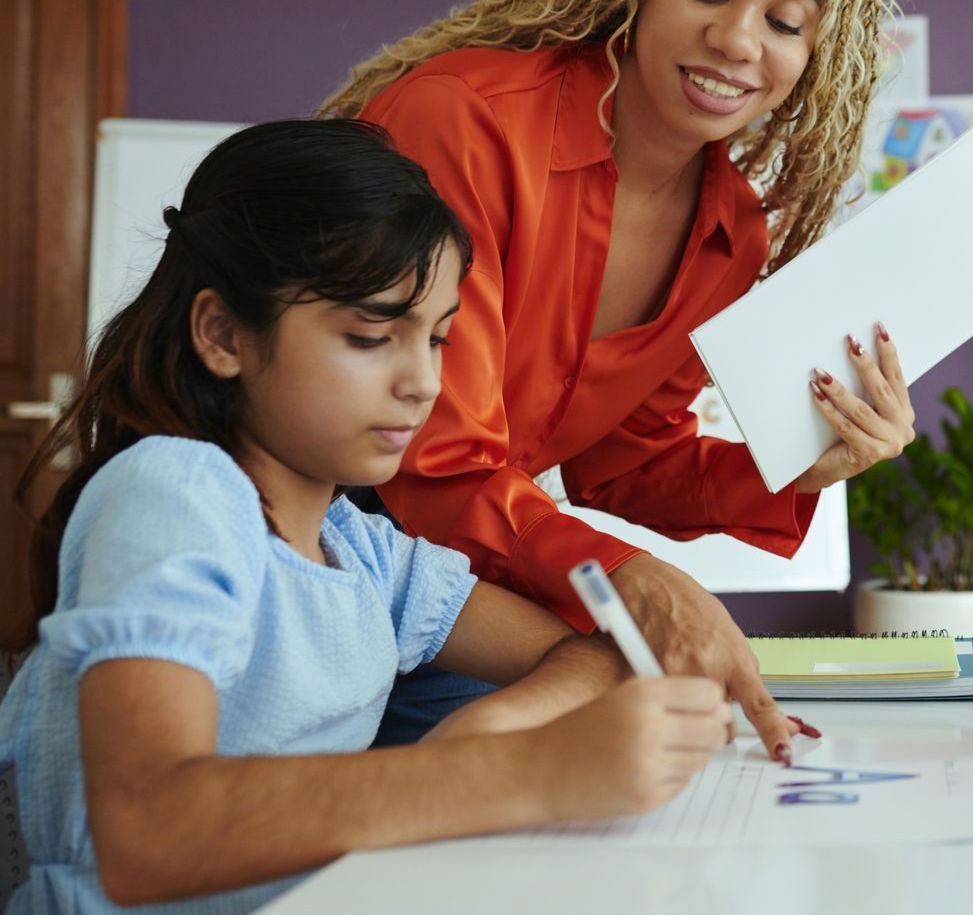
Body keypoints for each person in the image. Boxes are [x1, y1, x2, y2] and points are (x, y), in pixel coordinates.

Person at [0, 120, 736, 915]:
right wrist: (517, 772)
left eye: (440, 340)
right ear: (223, 335)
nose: (422, 383)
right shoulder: (175, 494)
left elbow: (592, 656)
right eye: (370, 336)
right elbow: (146, 830)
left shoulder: (358, 550)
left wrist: (491, 729)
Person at [320, 0, 916, 749]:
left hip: (465, 568)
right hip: (317, 536)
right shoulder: (465, 124)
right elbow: (430, 465)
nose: (735, 39)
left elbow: (623, 463)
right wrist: (636, 581)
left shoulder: (730, 235)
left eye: (785, 21)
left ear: (816, 57)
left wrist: (795, 462)